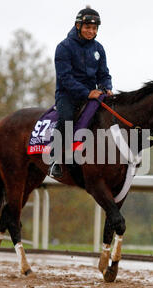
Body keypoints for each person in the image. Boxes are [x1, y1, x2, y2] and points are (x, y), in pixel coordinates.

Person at [48, 6, 113, 178]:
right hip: (67, 95)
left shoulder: (99, 49)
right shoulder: (63, 47)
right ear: (78, 26)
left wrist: (107, 87)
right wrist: (86, 93)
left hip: (93, 94)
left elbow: (104, 74)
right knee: (67, 118)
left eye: (94, 28)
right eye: (87, 27)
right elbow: (65, 78)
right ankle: (55, 159)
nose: (91, 31)